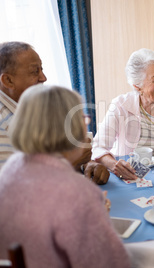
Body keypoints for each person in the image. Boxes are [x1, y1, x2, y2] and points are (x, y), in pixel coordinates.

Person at [0, 84, 129, 268]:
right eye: (82, 118)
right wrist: (94, 212)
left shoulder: (11, 167)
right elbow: (113, 263)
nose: (86, 122)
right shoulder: (77, 193)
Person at [0, 41, 109, 184]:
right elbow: (15, 186)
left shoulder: (37, 106)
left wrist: (87, 165)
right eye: (35, 71)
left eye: (41, 69)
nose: (43, 78)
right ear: (8, 80)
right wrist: (70, 161)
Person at [92, 48, 154, 180]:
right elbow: (98, 147)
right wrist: (114, 165)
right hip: (128, 177)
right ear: (137, 86)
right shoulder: (120, 106)